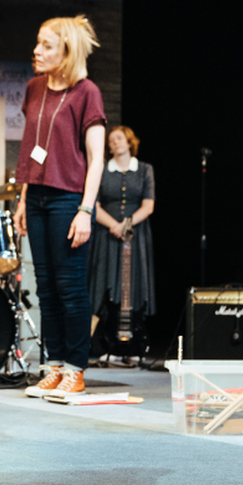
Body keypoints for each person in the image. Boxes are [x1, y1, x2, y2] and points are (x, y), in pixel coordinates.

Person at [15, 15, 107, 398]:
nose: (37, 51)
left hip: (69, 198)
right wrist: (21, 200)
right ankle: (52, 365)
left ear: (66, 51)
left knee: (69, 287)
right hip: (35, 196)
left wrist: (86, 210)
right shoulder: (35, 87)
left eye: (46, 45)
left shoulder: (88, 92)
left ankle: (75, 367)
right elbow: (32, 147)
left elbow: (96, 157)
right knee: (47, 288)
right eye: (38, 43)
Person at [88, 126, 156, 365]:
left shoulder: (145, 169)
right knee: (101, 283)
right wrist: (115, 226)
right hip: (107, 236)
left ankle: (131, 344)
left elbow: (148, 206)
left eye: (118, 139)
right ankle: (98, 343)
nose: (114, 143)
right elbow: (93, 206)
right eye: (111, 140)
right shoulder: (103, 170)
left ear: (129, 142)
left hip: (135, 237)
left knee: (133, 285)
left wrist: (126, 225)